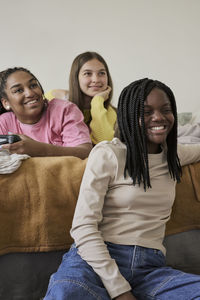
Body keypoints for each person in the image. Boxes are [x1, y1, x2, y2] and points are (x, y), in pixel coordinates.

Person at [44, 78, 200, 300]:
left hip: (149, 269)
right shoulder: (108, 154)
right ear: (128, 115)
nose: (159, 117)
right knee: (66, 294)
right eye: (146, 112)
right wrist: (120, 291)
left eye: (166, 110)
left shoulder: (173, 156)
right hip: (94, 263)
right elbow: (83, 227)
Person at [0, 67, 92, 158]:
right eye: (19, 90)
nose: (30, 93)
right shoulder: (4, 122)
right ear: (6, 103)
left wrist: (40, 150)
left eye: (33, 85)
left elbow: (85, 152)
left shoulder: (64, 110)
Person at [45, 51, 117, 145]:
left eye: (101, 73)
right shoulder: (55, 98)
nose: (96, 79)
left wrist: (97, 102)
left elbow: (104, 144)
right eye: (87, 73)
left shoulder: (109, 112)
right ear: (76, 77)